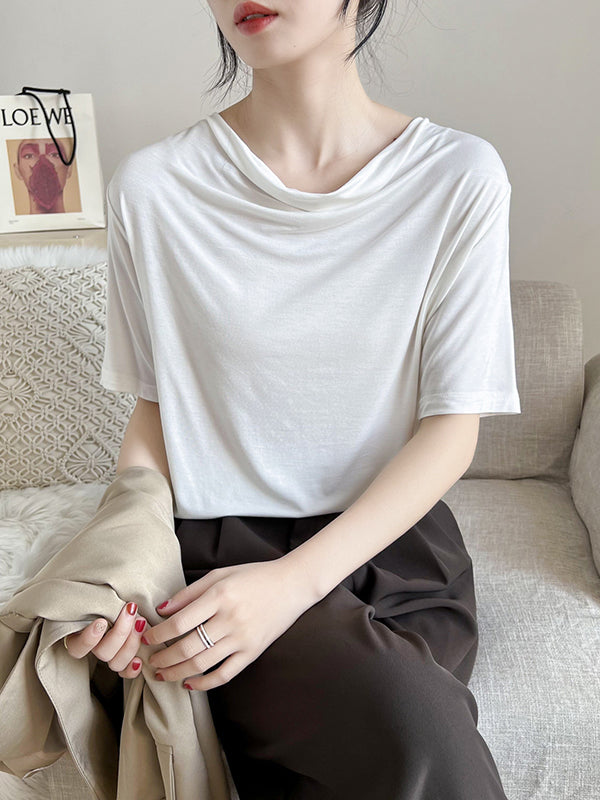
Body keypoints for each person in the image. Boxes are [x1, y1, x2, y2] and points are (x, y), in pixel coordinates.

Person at [65, 1, 521, 797]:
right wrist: (122, 564)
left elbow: (451, 428)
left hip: (400, 557)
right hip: (221, 551)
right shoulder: (155, 189)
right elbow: (158, 411)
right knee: (414, 725)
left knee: (391, 730)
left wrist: (293, 586)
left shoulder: (459, 177)